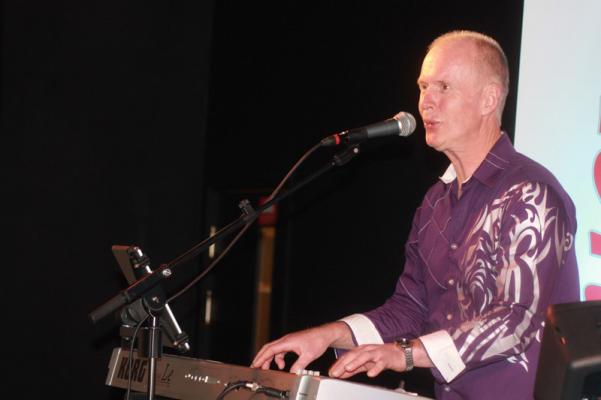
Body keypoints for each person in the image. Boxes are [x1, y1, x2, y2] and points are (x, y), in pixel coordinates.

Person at [251, 30, 580, 399]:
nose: (426, 102)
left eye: (443, 87)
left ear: (489, 99)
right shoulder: (435, 203)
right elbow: (409, 309)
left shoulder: (530, 192)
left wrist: (406, 353)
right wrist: (329, 335)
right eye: (423, 87)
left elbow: (515, 319)